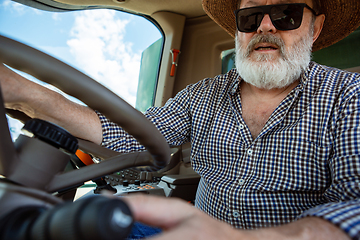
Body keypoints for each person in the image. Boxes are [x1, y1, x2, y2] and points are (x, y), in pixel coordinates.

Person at [1, 0, 360, 239]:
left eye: (287, 14)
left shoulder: (349, 94)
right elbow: (130, 134)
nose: (265, 26)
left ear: (314, 28)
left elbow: (354, 205)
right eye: (250, 17)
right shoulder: (201, 94)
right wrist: (29, 94)